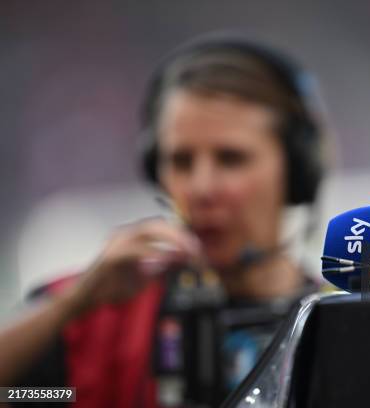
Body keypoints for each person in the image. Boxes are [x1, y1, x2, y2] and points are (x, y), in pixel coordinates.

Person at [1, 33, 328, 407]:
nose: (201, 187)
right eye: (181, 161)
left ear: (298, 170)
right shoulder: (93, 322)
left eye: (231, 158)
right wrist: (73, 303)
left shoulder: (341, 332)